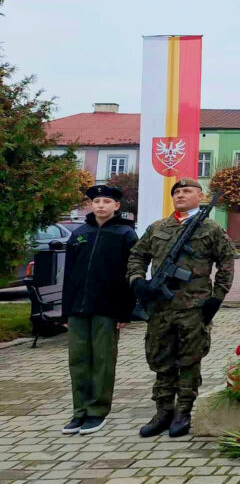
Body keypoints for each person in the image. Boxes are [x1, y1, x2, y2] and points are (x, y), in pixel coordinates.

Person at [127, 178, 235, 438]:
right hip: (160, 307)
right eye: (176, 192)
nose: (180, 195)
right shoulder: (158, 227)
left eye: (187, 191)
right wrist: (138, 281)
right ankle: (163, 411)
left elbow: (227, 262)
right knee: (160, 360)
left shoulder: (210, 228)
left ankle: (183, 412)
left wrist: (216, 298)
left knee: (189, 361)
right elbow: (137, 255)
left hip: (193, 307)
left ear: (200, 196)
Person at [60, 184, 138, 435]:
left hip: (107, 308)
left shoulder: (125, 234)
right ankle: (79, 411)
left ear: (116, 206)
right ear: (91, 205)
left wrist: (125, 311)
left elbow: (130, 274)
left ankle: (97, 412)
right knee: (78, 360)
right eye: (96, 201)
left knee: (102, 361)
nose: (101, 205)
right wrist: (65, 310)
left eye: (106, 201)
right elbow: (69, 274)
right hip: (78, 308)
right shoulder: (79, 234)